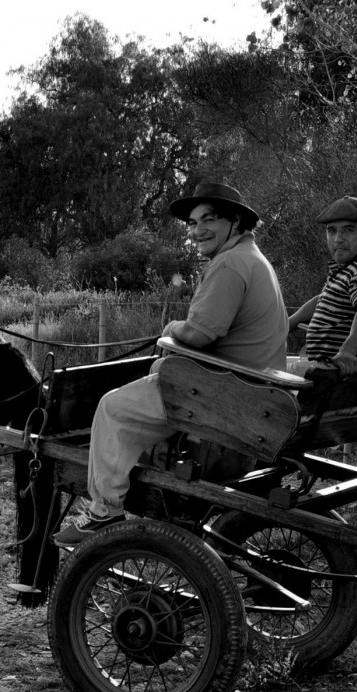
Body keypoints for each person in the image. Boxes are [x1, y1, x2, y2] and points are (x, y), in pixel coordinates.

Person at [52, 182, 289, 547]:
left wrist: (170, 328)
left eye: (208, 220)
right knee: (144, 385)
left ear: (236, 222)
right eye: (193, 224)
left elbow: (199, 334)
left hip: (223, 391)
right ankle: (139, 464)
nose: (197, 231)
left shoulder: (230, 264)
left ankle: (105, 510)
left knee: (112, 408)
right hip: (248, 387)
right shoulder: (252, 259)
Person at [288, 196, 357, 376]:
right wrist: (288, 325)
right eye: (331, 231)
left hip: (344, 375)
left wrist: (348, 351)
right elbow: (323, 299)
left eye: (348, 230)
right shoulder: (352, 265)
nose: (338, 239)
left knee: (257, 382)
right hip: (326, 369)